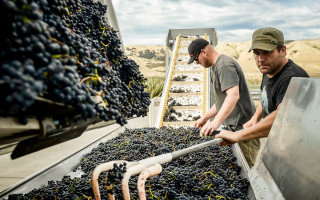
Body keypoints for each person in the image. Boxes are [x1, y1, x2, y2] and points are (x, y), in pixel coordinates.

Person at [215, 27, 310, 146]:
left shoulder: (291, 77)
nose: (261, 59)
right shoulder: (268, 70)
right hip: (279, 141)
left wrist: (237, 136)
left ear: (282, 50)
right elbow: (265, 97)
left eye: (266, 52)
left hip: (299, 147)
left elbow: (282, 118)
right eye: (257, 53)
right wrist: (255, 118)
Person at [188, 38, 260, 168]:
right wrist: (205, 118)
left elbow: (233, 95)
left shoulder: (224, 65)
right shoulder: (215, 68)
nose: (197, 63)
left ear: (204, 52)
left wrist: (216, 122)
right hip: (233, 130)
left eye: (196, 59)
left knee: (246, 172)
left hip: (243, 131)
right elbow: (221, 102)